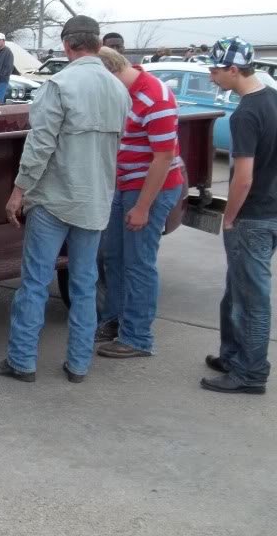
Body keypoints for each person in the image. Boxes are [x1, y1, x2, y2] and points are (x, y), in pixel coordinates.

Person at [0, 15, 129, 383]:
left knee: (35, 282)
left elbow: (39, 146)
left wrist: (18, 192)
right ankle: (79, 364)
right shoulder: (118, 90)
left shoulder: (60, 85)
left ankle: (22, 362)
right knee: (84, 284)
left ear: (67, 46)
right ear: (98, 46)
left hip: (54, 200)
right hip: (95, 201)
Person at [93, 47, 184, 356]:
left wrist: (143, 206)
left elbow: (163, 157)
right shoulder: (123, 94)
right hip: (125, 184)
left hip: (149, 188)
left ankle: (138, 337)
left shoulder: (155, 98)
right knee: (112, 256)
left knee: (139, 264)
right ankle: (114, 321)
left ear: (111, 73)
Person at [201, 36, 277, 395]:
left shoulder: (246, 113)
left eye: (215, 70)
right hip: (270, 211)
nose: (212, 77)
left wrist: (230, 217)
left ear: (234, 69)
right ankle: (233, 356)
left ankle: (251, 373)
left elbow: (243, 177)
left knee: (252, 300)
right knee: (237, 292)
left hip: (253, 217)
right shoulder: (272, 99)